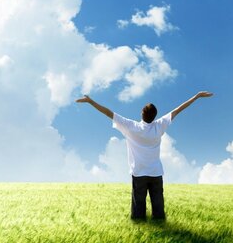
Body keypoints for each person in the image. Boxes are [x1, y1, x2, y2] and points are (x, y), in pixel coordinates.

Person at [76, 91, 213, 220]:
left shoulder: (131, 127)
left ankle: (139, 223)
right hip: (155, 172)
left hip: (139, 173)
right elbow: (178, 110)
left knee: (138, 207)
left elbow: (108, 113)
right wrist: (197, 96)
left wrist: (90, 101)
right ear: (155, 116)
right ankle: (159, 221)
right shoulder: (159, 126)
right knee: (158, 204)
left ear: (142, 114)